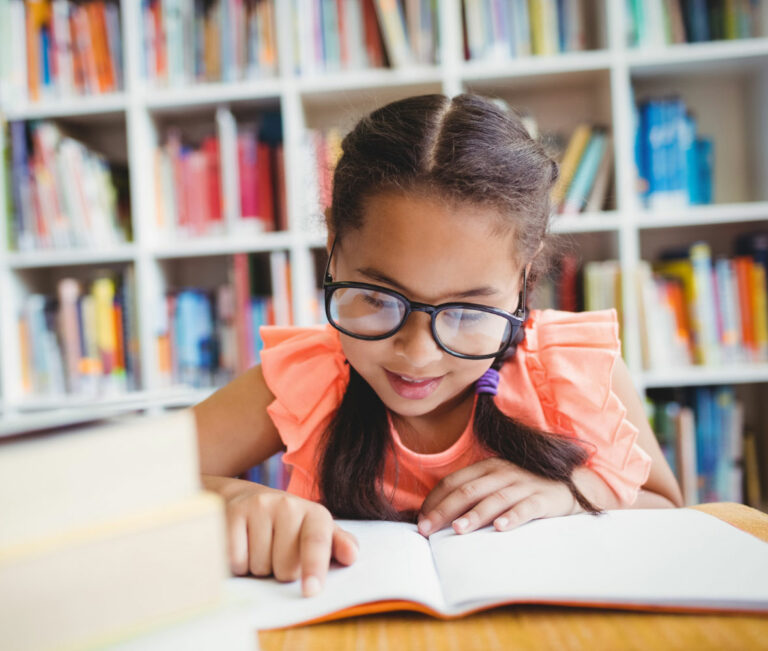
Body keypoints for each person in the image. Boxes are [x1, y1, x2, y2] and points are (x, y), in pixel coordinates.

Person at [194, 93, 683, 599]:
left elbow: (669, 508)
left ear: (524, 271)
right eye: (378, 298)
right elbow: (128, 484)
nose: (418, 354)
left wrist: (573, 494)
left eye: (469, 312)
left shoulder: (571, 369)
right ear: (333, 247)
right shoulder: (309, 377)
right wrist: (230, 497)